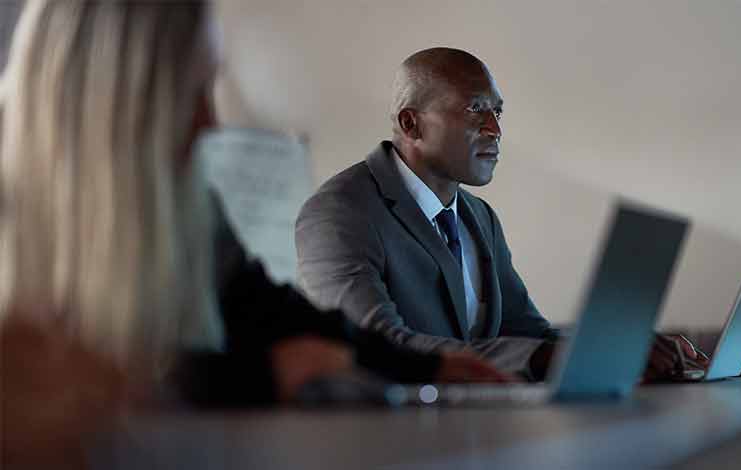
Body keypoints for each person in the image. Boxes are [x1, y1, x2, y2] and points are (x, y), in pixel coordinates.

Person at [0, 4, 509, 466]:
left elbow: (266, 309)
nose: (210, 121)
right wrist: (259, 375)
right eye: (190, 91)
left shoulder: (189, 210)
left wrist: (429, 367)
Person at [295, 47, 706, 379]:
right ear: (411, 123)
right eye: (475, 109)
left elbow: (528, 334)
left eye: (498, 111)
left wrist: (621, 343)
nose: (495, 129)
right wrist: (544, 358)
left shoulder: (478, 216)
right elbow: (376, 345)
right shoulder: (338, 213)